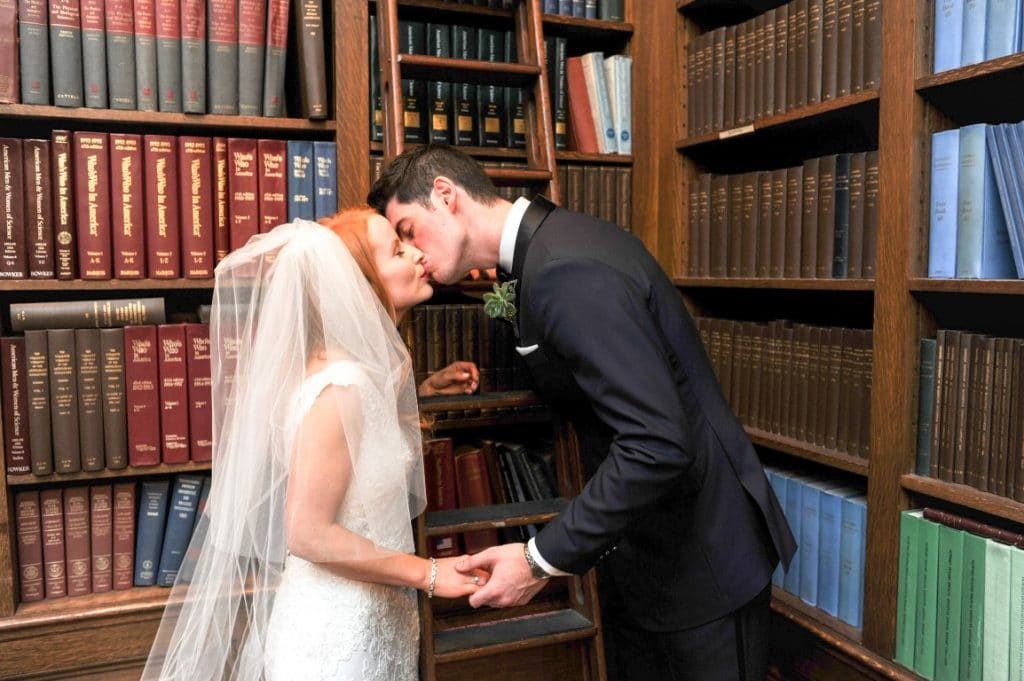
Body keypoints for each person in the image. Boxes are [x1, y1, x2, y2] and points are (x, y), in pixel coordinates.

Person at [368, 145, 798, 681]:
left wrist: (537, 559)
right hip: (649, 556)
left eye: (408, 230)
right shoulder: (555, 245)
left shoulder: (563, 269)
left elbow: (657, 443)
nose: (414, 254)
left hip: (700, 561)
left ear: (445, 195)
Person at [142, 209, 485, 681]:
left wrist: (423, 394)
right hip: (335, 644)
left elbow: (359, 461)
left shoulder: (357, 376)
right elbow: (307, 533)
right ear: (357, 285)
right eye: (397, 250)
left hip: (375, 622)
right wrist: (429, 574)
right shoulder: (340, 387)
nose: (418, 254)